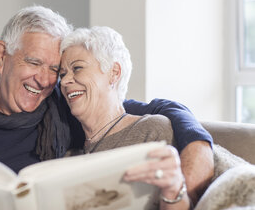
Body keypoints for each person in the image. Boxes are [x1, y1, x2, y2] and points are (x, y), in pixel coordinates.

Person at [0, 6, 213, 209]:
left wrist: (196, 139)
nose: (46, 79)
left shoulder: (66, 108)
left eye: (55, 69)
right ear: (1, 56)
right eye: (34, 62)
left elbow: (137, 109)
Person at [59, 26, 213, 209]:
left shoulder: (151, 130)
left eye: (77, 68)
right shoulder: (69, 153)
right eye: (62, 74)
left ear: (114, 73)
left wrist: (174, 191)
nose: (65, 81)